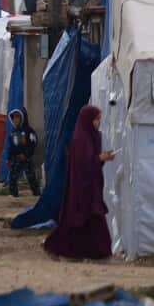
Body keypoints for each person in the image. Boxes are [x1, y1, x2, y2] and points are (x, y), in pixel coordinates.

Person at [44, 105, 114, 260]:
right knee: (90, 221)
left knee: (81, 225)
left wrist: (101, 158)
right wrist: (100, 158)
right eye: (96, 119)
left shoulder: (92, 136)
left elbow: (92, 161)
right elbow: (84, 163)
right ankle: (101, 254)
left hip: (90, 186)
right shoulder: (81, 139)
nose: (98, 123)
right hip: (83, 188)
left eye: (99, 119)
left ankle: (61, 249)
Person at [6, 109, 40, 197]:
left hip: (26, 158)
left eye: (18, 117)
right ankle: (14, 195)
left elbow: (33, 143)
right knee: (12, 176)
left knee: (31, 177)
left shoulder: (29, 131)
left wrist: (26, 154)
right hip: (16, 159)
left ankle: (36, 194)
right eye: (13, 117)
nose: (15, 120)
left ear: (22, 118)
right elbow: (11, 147)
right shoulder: (13, 133)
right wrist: (8, 158)